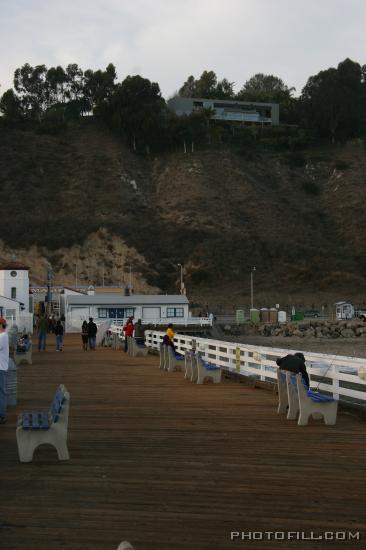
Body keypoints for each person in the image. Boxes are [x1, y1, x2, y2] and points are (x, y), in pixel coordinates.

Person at [0, 318, 9, 424]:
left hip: (0, 368)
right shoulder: (3, 336)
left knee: (1, 392)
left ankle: (2, 415)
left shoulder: (3, 336)